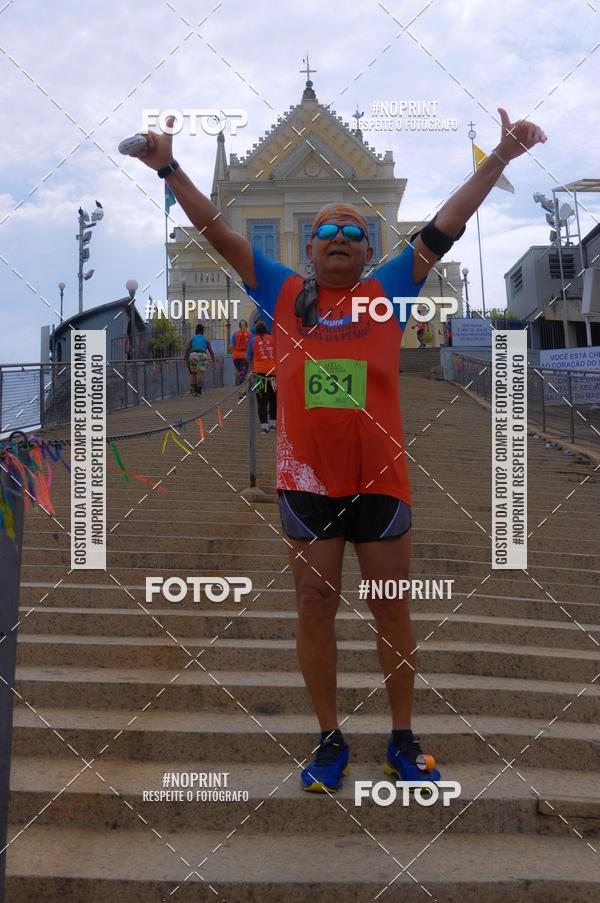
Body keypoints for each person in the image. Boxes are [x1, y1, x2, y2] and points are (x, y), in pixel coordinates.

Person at [134, 108, 547, 793]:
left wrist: (499, 157)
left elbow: (447, 222)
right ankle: (329, 738)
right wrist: (169, 168)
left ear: (368, 248)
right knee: (313, 604)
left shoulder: (389, 291)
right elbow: (216, 231)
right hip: (306, 484)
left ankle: (403, 735)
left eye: (353, 231)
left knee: (391, 605)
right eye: (324, 230)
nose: (337, 237)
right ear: (307, 248)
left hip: (382, 483)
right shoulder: (284, 292)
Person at [247, 319, 276, 434]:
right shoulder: (273, 339)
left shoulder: (253, 340)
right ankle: (273, 425)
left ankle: (264, 427)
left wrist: (252, 369)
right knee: (273, 400)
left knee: (262, 401)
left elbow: (249, 357)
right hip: (274, 374)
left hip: (260, 375)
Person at [184, 323, 216, 395]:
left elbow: (187, 349)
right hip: (202, 355)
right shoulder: (205, 340)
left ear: (196, 330)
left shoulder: (192, 339)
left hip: (193, 355)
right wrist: (213, 360)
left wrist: (185, 359)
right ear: (202, 331)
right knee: (200, 373)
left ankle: (193, 390)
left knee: (193, 373)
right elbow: (211, 351)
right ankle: (198, 391)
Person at [230, 319, 251, 396]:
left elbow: (231, 346)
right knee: (243, 373)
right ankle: (242, 391)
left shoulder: (235, 334)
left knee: (241, 373)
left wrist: (234, 353)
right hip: (245, 357)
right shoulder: (250, 334)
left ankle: (242, 390)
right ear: (246, 325)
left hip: (236, 357)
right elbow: (252, 346)